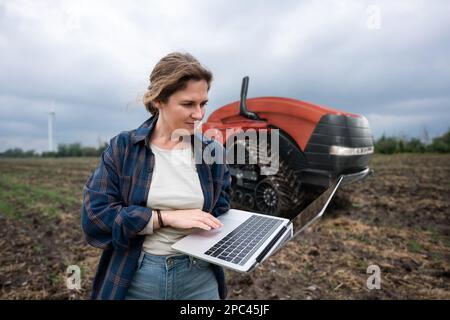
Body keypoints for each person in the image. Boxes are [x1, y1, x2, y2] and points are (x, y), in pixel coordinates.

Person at [81, 52, 231, 300]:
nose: (199, 114)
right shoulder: (124, 148)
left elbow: (221, 208)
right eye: (188, 104)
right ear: (159, 100)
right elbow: (95, 218)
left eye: (203, 103)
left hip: (200, 280)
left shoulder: (212, 153)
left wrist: (245, 238)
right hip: (138, 279)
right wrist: (166, 218)